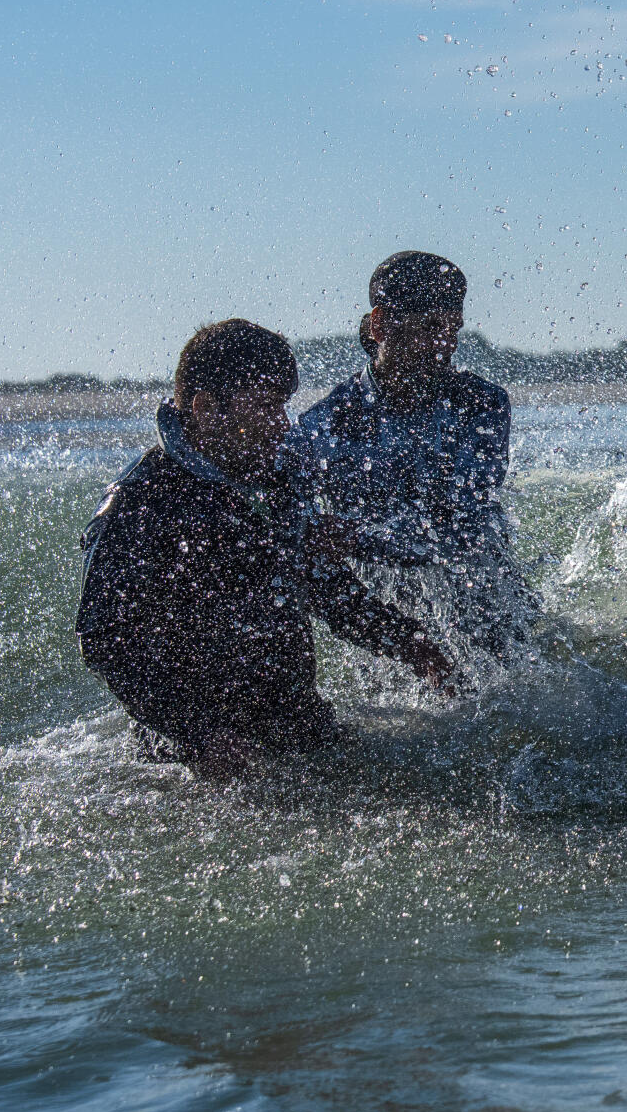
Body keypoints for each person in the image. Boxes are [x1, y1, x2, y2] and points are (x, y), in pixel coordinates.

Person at [78, 320, 453, 775]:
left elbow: (322, 582)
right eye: (268, 408)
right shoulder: (141, 502)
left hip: (297, 723)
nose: (283, 425)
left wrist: (409, 643)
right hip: (192, 751)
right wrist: (197, 734)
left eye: (284, 407)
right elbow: (105, 640)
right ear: (205, 407)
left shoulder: (270, 481)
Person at [289, 251, 533, 654]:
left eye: (453, 329)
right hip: (394, 625)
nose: (446, 346)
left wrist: (354, 538)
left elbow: (464, 527)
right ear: (382, 324)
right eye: (432, 327)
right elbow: (298, 541)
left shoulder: (482, 404)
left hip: (491, 606)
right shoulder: (323, 427)